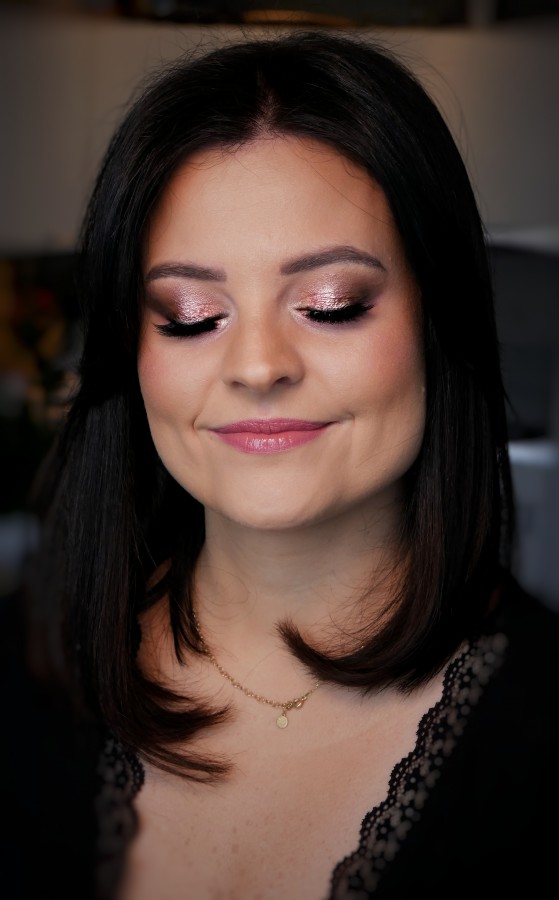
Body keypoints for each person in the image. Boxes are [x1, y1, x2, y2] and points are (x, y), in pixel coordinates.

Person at [2, 27, 559, 900]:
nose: (258, 366)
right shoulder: (21, 672)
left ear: (437, 317)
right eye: (191, 315)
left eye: (330, 304)